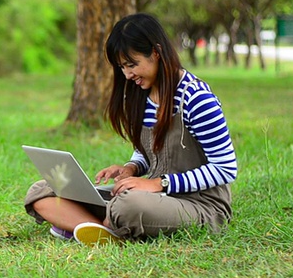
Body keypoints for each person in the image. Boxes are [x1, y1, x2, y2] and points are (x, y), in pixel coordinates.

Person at [24, 13, 237, 245]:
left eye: (132, 64)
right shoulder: (143, 95)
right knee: (44, 189)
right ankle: (101, 230)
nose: (127, 74)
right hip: (155, 198)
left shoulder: (197, 99)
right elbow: (150, 151)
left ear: (156, 52)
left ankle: (82, 223)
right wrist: (132, 167)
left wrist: (158, 183)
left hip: (199, 205)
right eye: (122, 67)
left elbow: (225, 169)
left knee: (127, 205)